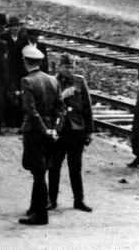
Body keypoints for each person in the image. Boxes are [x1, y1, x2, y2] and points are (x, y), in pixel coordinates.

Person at [17, 46, 63, 225]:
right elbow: (60, 109)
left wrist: (44, 130)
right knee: (41, 170)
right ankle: (35, 207)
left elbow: (31, 110)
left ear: (25, 62)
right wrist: (55, 129)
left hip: (35, 131)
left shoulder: (27, 81)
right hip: (50, 131)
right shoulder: (52, 80)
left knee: (38, 172)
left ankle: (41, 214)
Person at [48, 54, 93, 212]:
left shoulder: (79, 81)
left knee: (75, 167)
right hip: (60, 130)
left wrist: (89, 131)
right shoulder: (52, 81)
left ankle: (78, 200)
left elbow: (87, 107)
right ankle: (52, 199)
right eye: (66, 67)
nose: (69, 70)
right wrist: (63, 95)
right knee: (54, 166)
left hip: (76, 130)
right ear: (60, 67)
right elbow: (48, 105)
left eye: (72, 67)